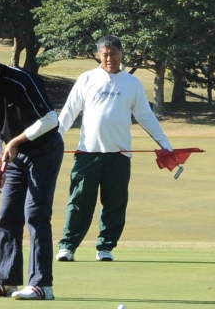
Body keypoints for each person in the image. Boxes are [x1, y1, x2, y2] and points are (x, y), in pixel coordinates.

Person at [56, 35, 172, 263]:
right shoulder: (87, 78)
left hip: (119, 155)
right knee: (79, 202)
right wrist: (54, 140)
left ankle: (105, 247)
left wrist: (165, 145)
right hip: (88, 153)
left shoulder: (132, 83)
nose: (109, 58)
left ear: (121, 54)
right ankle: (68, 246)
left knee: (115, 204)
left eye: (113, 54)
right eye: (105, 54)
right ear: (99, 55)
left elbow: (146, 117)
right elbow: (68, 112)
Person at [0, 45, 63, 300]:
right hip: (13, 155)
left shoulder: (22, 80)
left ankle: (42, 285)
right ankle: (6, 281)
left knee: (36, 213)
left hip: (44, 150)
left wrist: (16, 140)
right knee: (7, 214)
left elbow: (51, 120)